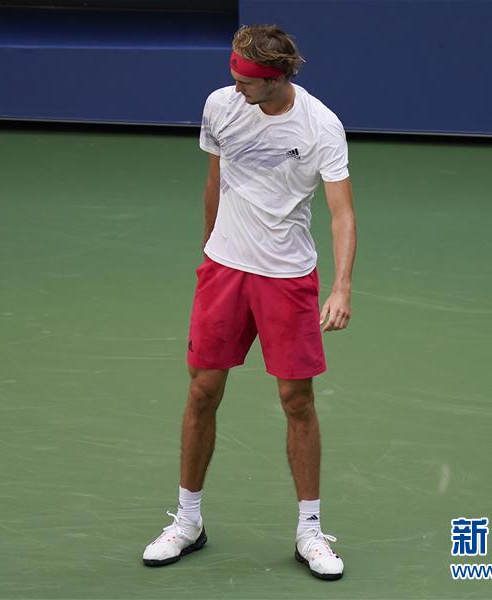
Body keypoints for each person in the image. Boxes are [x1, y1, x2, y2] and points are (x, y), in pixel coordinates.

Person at [141, 24, 356, 581]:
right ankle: (187, 521)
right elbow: (214, 182)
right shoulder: (221, 105)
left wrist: (341, 287)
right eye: (233, 77)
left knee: (297, 400)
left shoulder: (321, 126)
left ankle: (310, 529)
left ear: (277, 78)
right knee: (202, 390)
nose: (236, 89)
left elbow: (341, 213)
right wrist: (209, 252)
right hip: (224, 270)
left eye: (247, 82)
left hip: (287, 277)